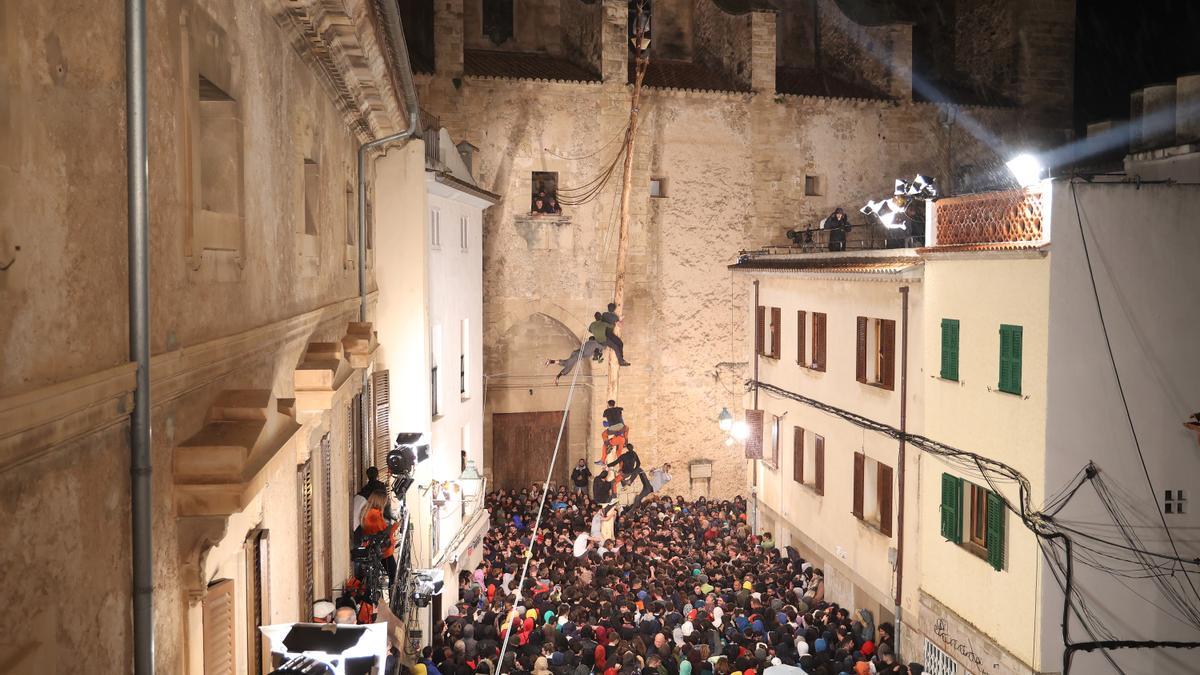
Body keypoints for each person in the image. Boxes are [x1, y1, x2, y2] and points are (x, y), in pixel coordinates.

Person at [360, 489, 398, 587]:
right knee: (394, 576)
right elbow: (384, 534)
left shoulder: (368, 511)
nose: (385, 504)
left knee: (393, 575)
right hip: (383, 551)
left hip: (378, 549)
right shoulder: (374, 514)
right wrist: (396, 525)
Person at [607, 442, 652, 508]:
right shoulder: (634, 454)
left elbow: (614, 463)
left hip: (625, 473)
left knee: (613, 482)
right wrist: (634, 470)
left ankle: (614, 498)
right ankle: (624, 484)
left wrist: (607, 465)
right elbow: (638, 463)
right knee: (620, 472)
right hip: (630, 472)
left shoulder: (624, 456)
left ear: (626, 449)